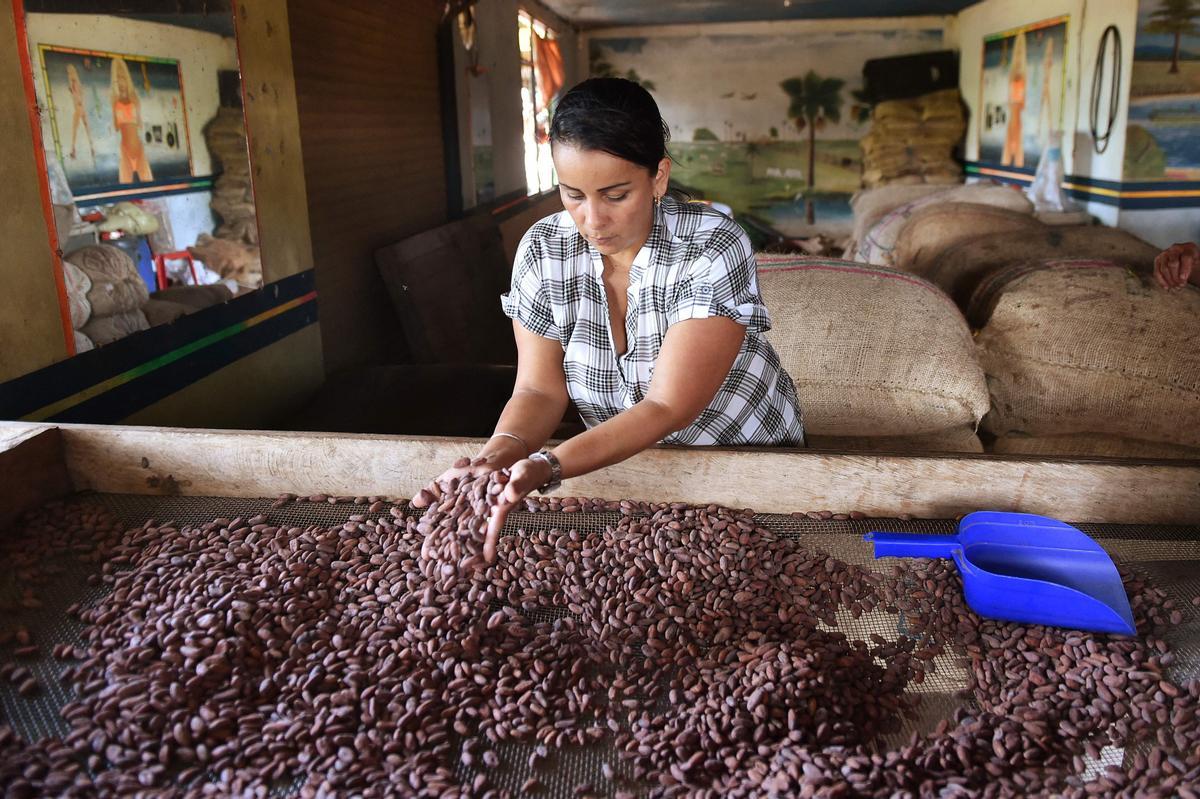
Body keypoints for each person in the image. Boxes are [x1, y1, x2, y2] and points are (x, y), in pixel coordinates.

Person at [415, 77, 804, 562]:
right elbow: (538, 391)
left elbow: (666, 406)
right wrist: (495, 459)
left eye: (616, 195)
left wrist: (547, 465)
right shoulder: (543, 249)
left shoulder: (712, 245)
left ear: (658, 177)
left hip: (750, 461)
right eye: (572, 193)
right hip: (630, 467)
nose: (592, 219)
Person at [110, 57, 153, 183]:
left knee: (149, 186)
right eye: (117, 78)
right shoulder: (114, 100)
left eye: (123, 77)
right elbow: (116, 127)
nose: (121, 82)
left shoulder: (135, 98)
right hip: (125, 152)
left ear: (127, 78)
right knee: (124, 190)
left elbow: (140, 123)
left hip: (139, 150)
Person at [66, 64, 95, 162]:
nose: (70, 74)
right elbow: (77, 94)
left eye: (71, 72)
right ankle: (89, 148)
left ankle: (78, 149)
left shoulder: (75, 84)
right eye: (69, 72)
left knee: (80, 129)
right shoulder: (74, 84)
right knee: (83, 129)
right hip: (80, 107)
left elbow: (78, 95)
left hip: (80, 107)